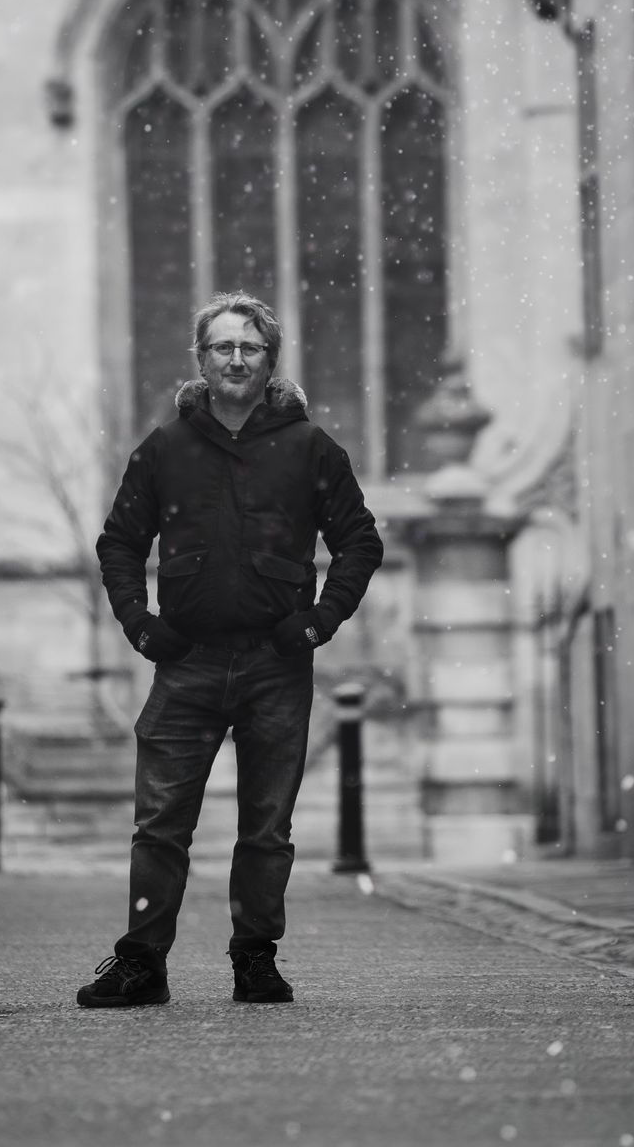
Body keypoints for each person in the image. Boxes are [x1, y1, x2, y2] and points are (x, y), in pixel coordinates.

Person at [77, 292, 384, 1009]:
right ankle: (141, 965)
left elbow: (360, 542)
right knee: (159, 825)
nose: (236, 359)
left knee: (267, 828)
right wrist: (139, 624)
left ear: (270, 359)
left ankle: (255, 959)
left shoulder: (310, 449)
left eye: (250, 347)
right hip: (185, 664)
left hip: (279, 666)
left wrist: (319, 622)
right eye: (223, 347)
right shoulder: (165, 449)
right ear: (202, 359)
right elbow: (119, 543)